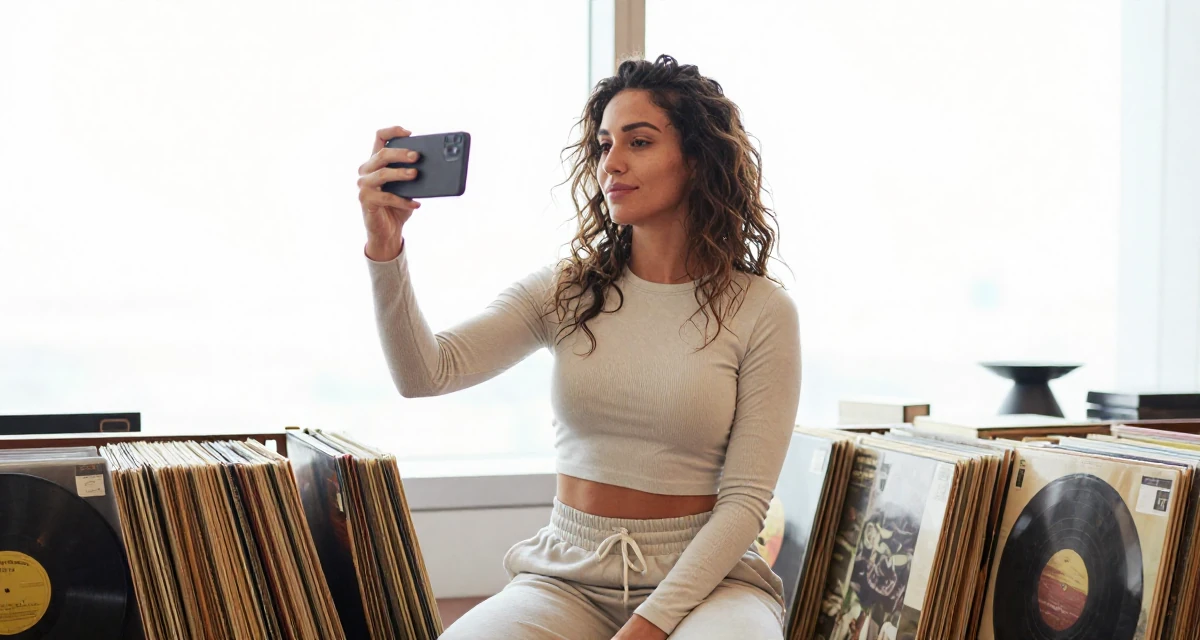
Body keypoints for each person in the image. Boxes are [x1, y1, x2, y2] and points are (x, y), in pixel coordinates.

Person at [355, 54, 801, 640]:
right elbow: (426, 372)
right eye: (603, 144)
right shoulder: (568, 289)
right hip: (566, 574)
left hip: (707, 582)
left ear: (697, 159)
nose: (611, 163)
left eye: (638, 142)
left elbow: (744, 505)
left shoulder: (761, 310)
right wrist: (385, 249)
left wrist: (650, 624)